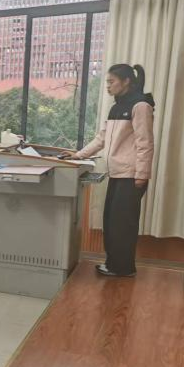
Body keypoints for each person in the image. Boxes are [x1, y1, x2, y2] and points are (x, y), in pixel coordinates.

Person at [64, 63, 155, 277]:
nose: (108, 86)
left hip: (132, 175)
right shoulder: (116, 107)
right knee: (112, 221)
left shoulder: (140, 106)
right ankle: (115, 264)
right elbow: (102, 138)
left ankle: (122, 268)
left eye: (111, 81)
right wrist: (78, 155)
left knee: (123, 224)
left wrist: (142, 175)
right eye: (107, 82)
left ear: (126, 82)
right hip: (117, 173)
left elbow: (145, 143)